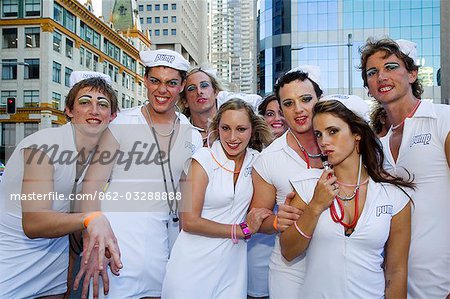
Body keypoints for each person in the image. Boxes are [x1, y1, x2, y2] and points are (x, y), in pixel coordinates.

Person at [78, 49, 203, 298]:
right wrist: (92, 241)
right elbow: (91, 186)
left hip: (164, 249)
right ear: (145, 80)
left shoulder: (193, 135)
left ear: (182, 87)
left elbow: (186, 203)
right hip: (115, 244)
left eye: (171, 83)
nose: (162, 90)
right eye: (155, 81)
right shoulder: (121, 123)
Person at [0, 73, 121, 298]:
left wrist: (94, 245)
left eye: (102, 104)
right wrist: (91, 219)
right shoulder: (43, 145)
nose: (94, 110)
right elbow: (34, 223)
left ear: (112, 115)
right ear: (68, 110)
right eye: (84, 102)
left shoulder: (102, 152)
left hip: (54, 260)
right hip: (11, 259)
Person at [279, 96, 413, 298]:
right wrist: (315, 206)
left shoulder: (393, 195)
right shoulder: (307, 185)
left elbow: (396, 270)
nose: (323, 142)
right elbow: (288, 251)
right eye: (318, 134)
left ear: (356, 133)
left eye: (333, 131)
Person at [360, 37, 450, 298]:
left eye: (390, 67)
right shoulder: (374, 143)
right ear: (368, 87)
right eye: (372, 72)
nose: (381, 76)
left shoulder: (443, 120)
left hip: (441, 284)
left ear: (411, 74)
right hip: (393, 285)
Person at [161, 98, 273, 299]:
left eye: (241, 129)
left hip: (233, 268)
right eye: (225, 128)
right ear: (217, 128)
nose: (232, 137)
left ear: (252, 130)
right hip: (192, 265)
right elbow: (189, 221)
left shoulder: (257, 161)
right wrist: (240, 230)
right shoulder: (201, 159)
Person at [249, 65, 323, 298]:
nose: (299, 109)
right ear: (281, 109)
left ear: (319, 99)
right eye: (289, 104)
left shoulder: (344, 144)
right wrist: (275, 221)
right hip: (290, 272)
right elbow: (256, 218)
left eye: (306, 99)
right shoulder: (269, 159)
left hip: (338, 264)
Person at [179, 66, 224, 145]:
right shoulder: (178, 134)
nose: (199, 92)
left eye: (204, 85)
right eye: (191, 88)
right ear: (185, 101)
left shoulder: (234, 126)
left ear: (215, 92)